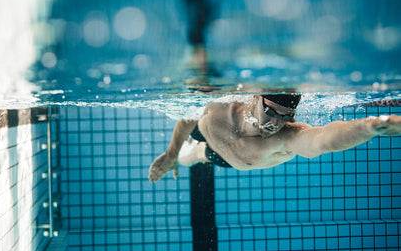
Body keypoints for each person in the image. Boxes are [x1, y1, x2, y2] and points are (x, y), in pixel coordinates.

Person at [148, 93, 401, 182]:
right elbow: (186, 119)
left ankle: (190, 155)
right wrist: (169, 152)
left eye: (286, 115)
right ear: (255, 98)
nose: (276, 123)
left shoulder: (287, 137)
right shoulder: (220, 107)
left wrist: (370, 127)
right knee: (192, 134)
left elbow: (323, 139)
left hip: (222, 155)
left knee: (193, 155)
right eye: (270, 112)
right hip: (210, 132)